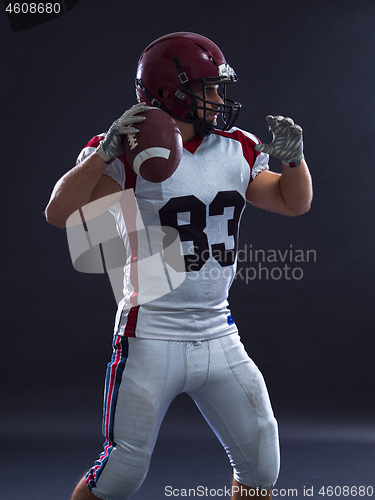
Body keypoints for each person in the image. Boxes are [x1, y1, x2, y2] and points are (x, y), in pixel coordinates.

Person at [45, 32, 312, 500]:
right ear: (170, 92)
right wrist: (106, 152)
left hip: (218, 330)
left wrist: (294, 161)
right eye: (207, 88)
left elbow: (294, 202)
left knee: (261, 463)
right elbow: (61, 214)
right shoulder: (127, 151)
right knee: (121, 471)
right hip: (151, 332)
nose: (217, 99)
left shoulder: (237, 146)